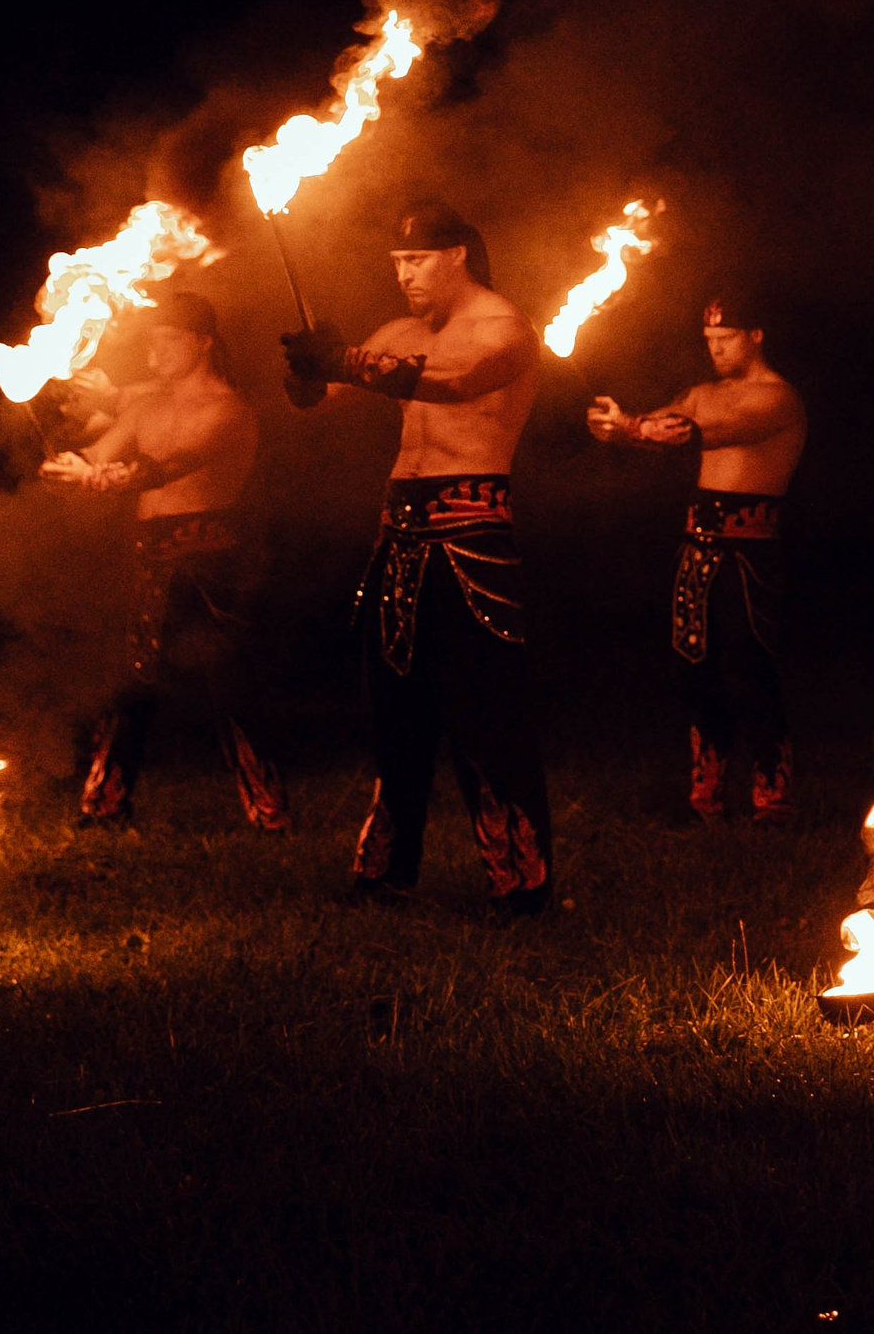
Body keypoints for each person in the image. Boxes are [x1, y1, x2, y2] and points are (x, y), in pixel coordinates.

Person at [282, 202, 554, 913]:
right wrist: (306, 367)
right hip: (397, 540)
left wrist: (344, 358)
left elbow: (455, 379)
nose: (405, 276)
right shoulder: (396, 331)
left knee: (484, 713)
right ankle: (385, 872)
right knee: (393, 712)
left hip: (472, 541)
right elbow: (325, 396)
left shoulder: (506, 327)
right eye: (397, 264)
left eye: (418, 260)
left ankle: (520, 881)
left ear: (458, 254)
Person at [42, 291, 289, 832]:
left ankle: (268, 811)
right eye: (151, 343)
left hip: (209, 560)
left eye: (167, 342)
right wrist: (71, 464)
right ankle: (104, 807)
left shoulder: (228, 408)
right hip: (150, 555)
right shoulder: (147, 404)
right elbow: (102, 452)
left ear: (202, 344)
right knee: (130, 683)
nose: (154, 357)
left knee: (231, 687)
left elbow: (168, 466)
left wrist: (101, 477)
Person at [587, 293, 808, 824]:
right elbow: (658, 432)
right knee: (693, 673)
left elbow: (708, 434)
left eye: (725, 339)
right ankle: (705, 797)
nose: (715, 349)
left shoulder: (779, 399)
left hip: (749, 554)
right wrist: (619, 427)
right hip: (696, 550)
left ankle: (771, 797)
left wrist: (638, 428)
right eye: (708, 340)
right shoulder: (701, 393)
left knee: (750, 667)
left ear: (756, 335)